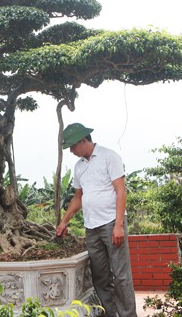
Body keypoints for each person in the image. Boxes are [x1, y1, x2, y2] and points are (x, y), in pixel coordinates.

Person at [56, 123, 137, 317]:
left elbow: (121, 191)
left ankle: (128, 315)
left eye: (73, 146)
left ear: (84, 140)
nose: (72, 151)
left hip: (111, 223)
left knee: (121, 275)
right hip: (91, 227)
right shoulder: (79, 166)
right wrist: (64, 221)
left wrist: (118, 225)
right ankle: (111, 313)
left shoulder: (109, 157)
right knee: (100, 277)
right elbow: (78, 197)